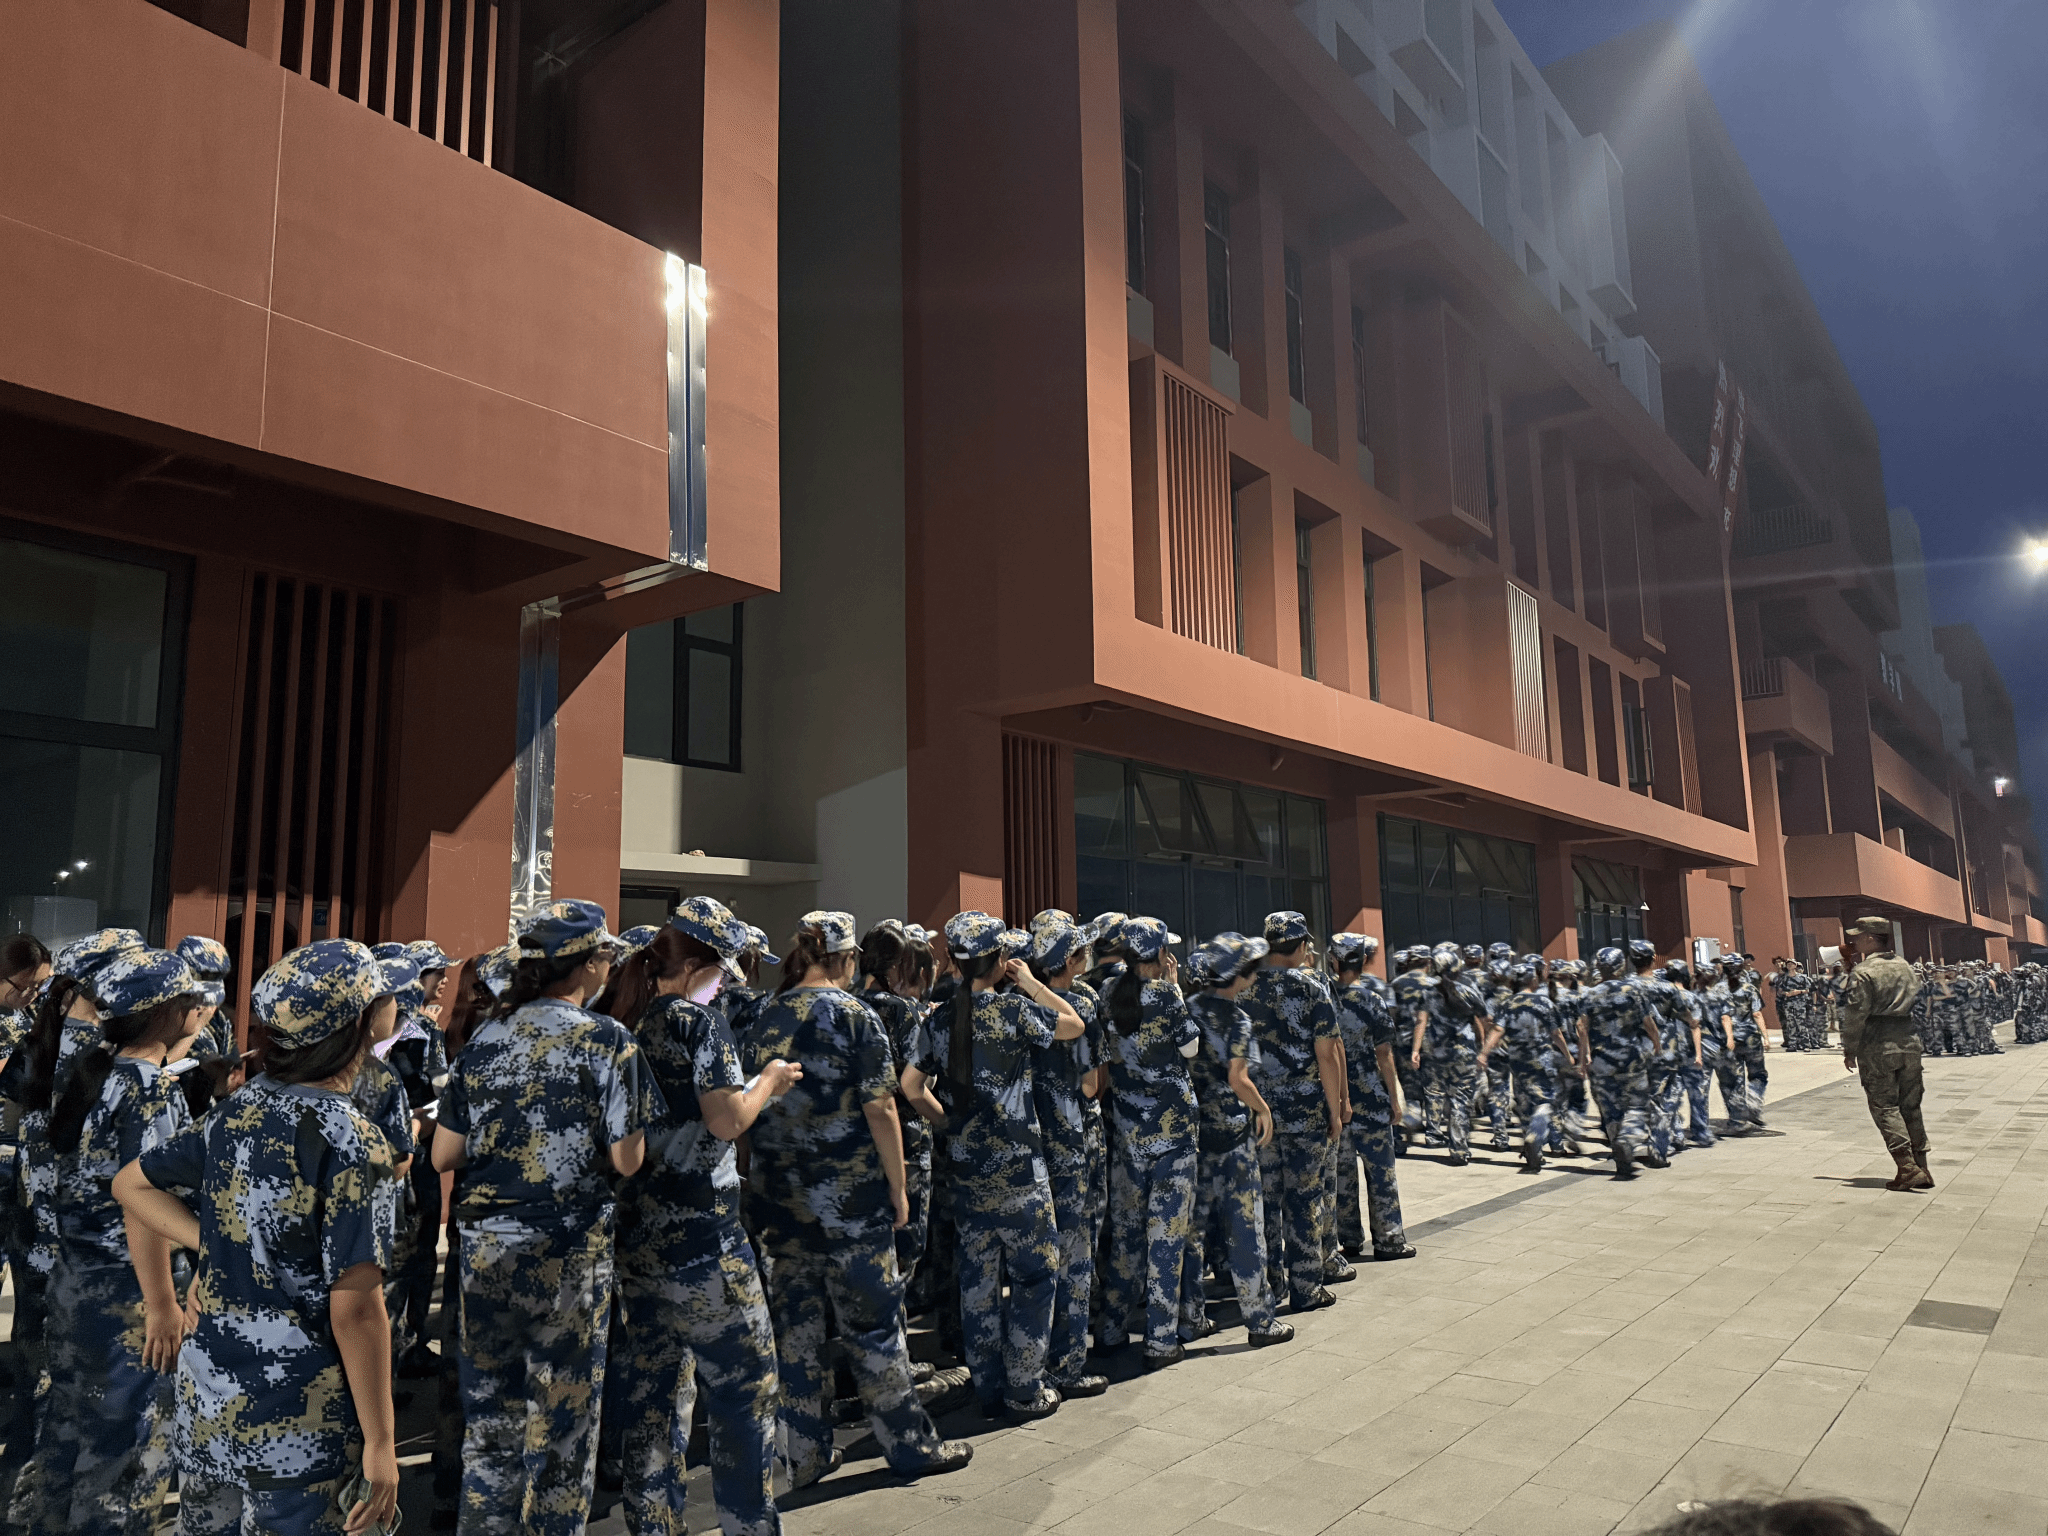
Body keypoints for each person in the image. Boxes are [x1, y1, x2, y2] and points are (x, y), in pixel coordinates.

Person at [113, 938, 403, 1536]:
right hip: (299, 1427)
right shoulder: (353, 1139)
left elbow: (131, 1185)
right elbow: (356, 1310)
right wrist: (381, 1443)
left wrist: (215, 1244)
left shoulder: (239, 1110)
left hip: (211, 1405)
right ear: (361, 1020)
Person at [431, 900, 655, 1536]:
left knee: (490, 1427)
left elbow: (444, 1154)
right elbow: (627, 1159)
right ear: (586, 966)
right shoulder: (608, 1041)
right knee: (563, 1425)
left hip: (485, 1250)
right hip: (567, 1251)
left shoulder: (486, 1038)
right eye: (605, 955)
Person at [747, 911, 970, 1486]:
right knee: (874, 1328)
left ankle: (804, 1454)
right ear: (847, 959)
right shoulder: (853, 1015)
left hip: (782, 1203)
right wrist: (897, 1188)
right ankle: (909, 1446)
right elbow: (881, 1107)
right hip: (850, 1204)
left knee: (796, 1333)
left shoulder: (767, 1013)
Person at [599, 897, 799, 1536]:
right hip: (704, 1235)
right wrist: (769, 1081)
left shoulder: (625, 1019)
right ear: (697, 968)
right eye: (722, 971)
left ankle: (653, 1521)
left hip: (639, 1232)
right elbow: (727, 1119)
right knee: (747, 1382)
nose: (725, 984)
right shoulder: (697, 1023)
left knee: (656, 1385)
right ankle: (748, 1523)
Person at [27, 948, 202, 1535]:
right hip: (128, 1292)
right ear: (167, 1013)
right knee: (125, 1460)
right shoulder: (150, 1089)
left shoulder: (92, 1069)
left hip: (74, 1279)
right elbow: (142, 1204)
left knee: (67, 1436)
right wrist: (162, 1304)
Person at [918, 911, 1082, 1417]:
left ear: (953, 962)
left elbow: (910, 1087)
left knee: (978, 1284)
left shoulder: (939, 1019)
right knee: (1035, 1278)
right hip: (1021, 1174)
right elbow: (1073, 1025)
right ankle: (1024, 1388)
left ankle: (987, 1385)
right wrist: (1031, 983)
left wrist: (947, 1123)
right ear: (1001, 961)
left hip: (967, 1174)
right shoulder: (1014, 1011)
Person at [1178, 932, 1293, 1348]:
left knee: (1192, 1233)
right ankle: (1260, 1320)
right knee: (1246, 1228)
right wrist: (1262, 1108)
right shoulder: (1238, 1020)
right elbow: (1238, 1078)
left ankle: (1190, 1318)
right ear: (1239, 975)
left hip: (1194, 1133)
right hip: (1231, 1135)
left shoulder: (1187, 1008)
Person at [1097, 917, 1203, 1366]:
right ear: (1159, 954)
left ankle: (1110, 1328)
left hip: (1127, 1132)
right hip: (1172, 1136)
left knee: (1125, 1236)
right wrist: (1175, 989)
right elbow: (1191, 1048)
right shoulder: (1166, 994)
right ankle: (1160, 1340)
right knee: (1166, 1238)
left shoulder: (1107, 992)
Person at [1021, 910, 1112, 1399]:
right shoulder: (1083, 1003)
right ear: (1071, 960)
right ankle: (1068, 1364)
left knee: (1036, 1259)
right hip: (1075, 1141)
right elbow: (1093, 1082)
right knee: (1076, 1255)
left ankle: (1028, 1360)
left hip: (1031, 1142)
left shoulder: (1019, 1001)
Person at [1241, 912, 1346, 1312]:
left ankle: (1271, 1286)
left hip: (1259, 1114)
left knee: (1265, 1202)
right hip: (1305, 1114)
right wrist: (1335, 1110)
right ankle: (1306, 1288)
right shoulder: (1311, 986)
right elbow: (1327, 1055)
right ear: (1302, 946)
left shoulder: (1245, 987)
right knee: (1304, 1200)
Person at [858, 921, 941, 1287]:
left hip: (860, 1142)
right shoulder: (901, 1010)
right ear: (895, 966)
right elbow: (919, 1082)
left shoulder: (849, 1004)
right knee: (904, 1249)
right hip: (905, 1140)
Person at [1325, 934, 1414, 1259]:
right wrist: (1395, 1098)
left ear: (1334, 962)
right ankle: (1390, 1240)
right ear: (1363, 961)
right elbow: (1384, 1054)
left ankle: (1349, 1239)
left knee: (1343, 1176)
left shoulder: (1323, 999)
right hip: (1372, 1100)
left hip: (1336, 1102)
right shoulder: (1371, 1000)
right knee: (1381, 1174)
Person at [1838, 916, 1930, 1192]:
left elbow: (1856, 1014)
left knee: (1885, 1105)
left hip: (1878, 1044)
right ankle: (1922, 1166)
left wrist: (1850, 1049)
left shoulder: (1864, 971)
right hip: (1909, 1040)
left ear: (1870, 938)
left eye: (1858, 936)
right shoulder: (1905, 966)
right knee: (1910, 1106)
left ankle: (1907, 1167)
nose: (1854, 941)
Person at [1579, 946, 1659, 1179]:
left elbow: (1581, 1027)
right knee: (1637, 1105)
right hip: (1630, 1059)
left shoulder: (1589, 994)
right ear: (1621, 966)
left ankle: (1621, 1158)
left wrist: (1584, 1057)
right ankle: (1628, 1139)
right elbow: (1648, 1023)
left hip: (1601, 1062)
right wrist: (1657, 1043)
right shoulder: (1633, 991)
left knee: (1610, 1110)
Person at [1478, 961, 1562, 1173]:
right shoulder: (1544, 1002)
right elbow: (1556, 1033)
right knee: (1544, 1102)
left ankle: (1533, 1153)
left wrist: (1484, 1053)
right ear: (1533, 980)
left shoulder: (1508, 1003)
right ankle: (1536, 1133)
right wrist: (1568, 1056)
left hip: (1518, 1062)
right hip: (1542, 1060)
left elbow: (1497, 1030)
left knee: (1524, 1104)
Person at [1407, 945, 1482, 1167]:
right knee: (1460, 1100)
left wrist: (1415, 1050)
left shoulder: (1428, 993)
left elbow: (1421, 1022)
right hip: (1464, 1054)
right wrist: (1482, 1047)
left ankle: (1433, 1133)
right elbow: (1479, 1021)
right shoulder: (1468, 990)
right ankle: (1458, 1148)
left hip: (1437, 1054)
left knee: (1434, 1093)